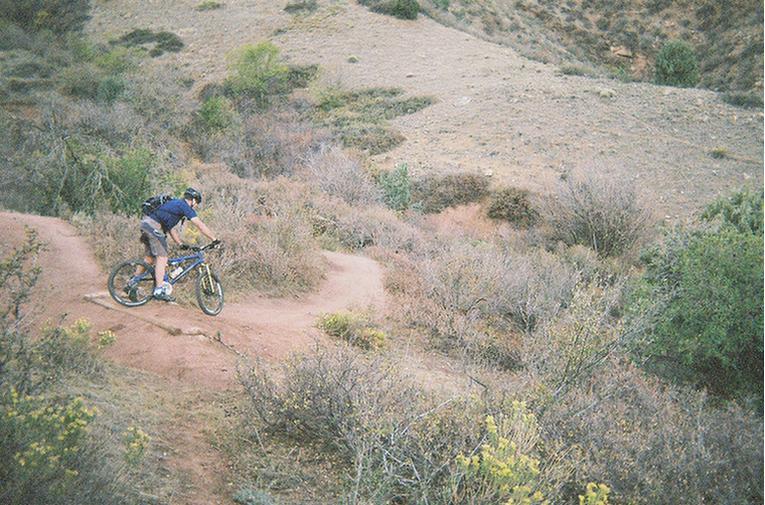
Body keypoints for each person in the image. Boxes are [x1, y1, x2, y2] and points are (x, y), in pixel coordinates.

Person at [137, 187, 217, 302]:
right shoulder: (183, 205)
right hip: (153, 227)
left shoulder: (175, 205)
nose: (196, 206)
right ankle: (159, 290)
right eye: (197, 203)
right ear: (193, 200)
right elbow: (199, 224)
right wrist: (214, 239)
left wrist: (180, 244)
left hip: (146, 225)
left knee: (150, 258)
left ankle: (132, 283)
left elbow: (170, 229)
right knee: (162, 257)